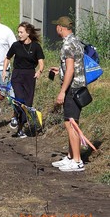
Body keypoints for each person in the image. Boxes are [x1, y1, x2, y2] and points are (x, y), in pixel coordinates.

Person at [50, 16, 86, 172]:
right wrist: (60, 70)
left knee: (71, 123)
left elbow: (70, 69)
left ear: (60, 28)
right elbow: (74, 65)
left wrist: (62, 91)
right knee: (72, 121)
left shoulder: (67, 46)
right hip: (79, 86)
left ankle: (77, 161)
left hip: (72, 89)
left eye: (56, 26)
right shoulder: (76, 42)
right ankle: (71, 156)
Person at [2, 22, 45, 138]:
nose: (19, 34)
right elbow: (7, 58)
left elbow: (41, 62)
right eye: (18, 32)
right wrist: (4, 71)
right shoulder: (16, 45)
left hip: (30, 76)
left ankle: (20, 128)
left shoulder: (36, 47)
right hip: (17, 75)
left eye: (21, 32)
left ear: (28, 33)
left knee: (28, 104)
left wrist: (39, 71)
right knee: (19, 99)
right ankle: (15, 117)